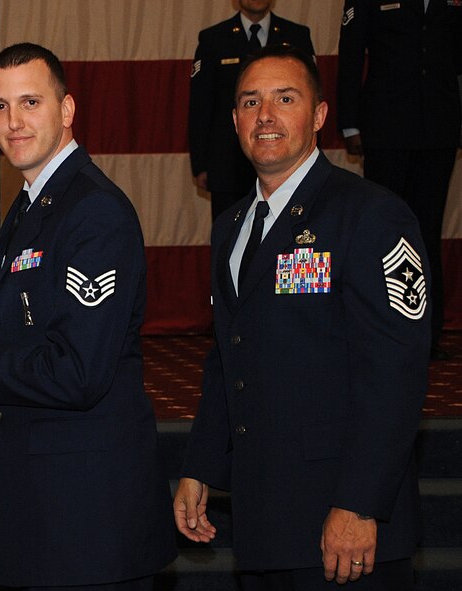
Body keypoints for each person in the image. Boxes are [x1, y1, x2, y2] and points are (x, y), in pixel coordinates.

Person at [0, 43, 176, 589]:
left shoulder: (93, 211)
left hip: (90, 522)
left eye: (30, 102)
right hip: (45, 511)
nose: (13, 122)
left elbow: (75, 372)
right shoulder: (32, 206)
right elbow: (25, 361)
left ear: (67, 109)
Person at [173, 46, 430, 590]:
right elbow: (228, 356)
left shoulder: (371, 214)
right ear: (236, 120)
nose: (265, 115)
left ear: (318, 115)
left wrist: (359, 505)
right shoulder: (231, 226)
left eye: (284, 99)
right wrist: (201, 464)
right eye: (250, 102)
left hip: (345, 527)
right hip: (263, 520)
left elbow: (396, 374)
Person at [336, 0, 462, 360]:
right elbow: (351, 55)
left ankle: (427, 333)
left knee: (427, 231)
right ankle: (381, 328)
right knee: (384, 233)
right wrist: (350, 123)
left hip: (438, 128)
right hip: (385, 129)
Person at [189, 0, 315, 221]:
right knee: (231, 238)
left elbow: (310, 103)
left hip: (287, 161)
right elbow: (200, 105)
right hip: (228, 164)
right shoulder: (213, 39)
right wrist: (200, 164)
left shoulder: (296, 35)